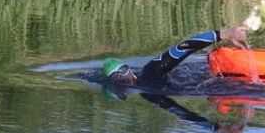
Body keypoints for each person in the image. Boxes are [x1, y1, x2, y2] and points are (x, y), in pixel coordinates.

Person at [101, 26, 250, 87]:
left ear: (129, 68)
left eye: (124, 70)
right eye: (117, 76)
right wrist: (217, 128)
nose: (124, 77)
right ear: (112, 81)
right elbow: (183, 115)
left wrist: (223, 34)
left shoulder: (150, 71)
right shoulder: (147, 95)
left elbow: (181, 48)